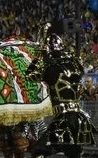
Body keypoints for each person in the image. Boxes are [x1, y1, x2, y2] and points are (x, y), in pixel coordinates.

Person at [27, 22, 97, 158]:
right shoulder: (76, 65)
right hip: (79, 117)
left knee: (38, 151)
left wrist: (40, 55)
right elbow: (79, 66)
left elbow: (30, 75)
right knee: (73, 153)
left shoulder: (52, 69)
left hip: (63, 118)